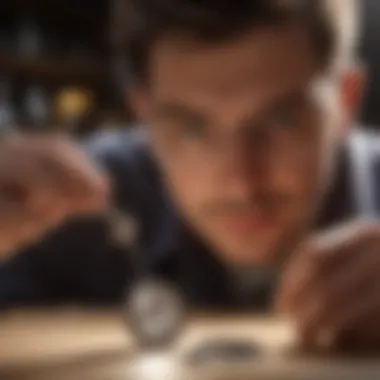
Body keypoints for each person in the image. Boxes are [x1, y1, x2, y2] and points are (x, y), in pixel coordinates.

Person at [0, 0, 378, 351]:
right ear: (144, 114)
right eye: (193, 128)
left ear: (346, 101)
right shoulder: (66, 210)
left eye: (281, 120)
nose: (242, 184)